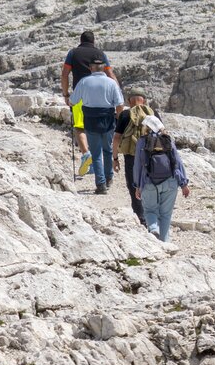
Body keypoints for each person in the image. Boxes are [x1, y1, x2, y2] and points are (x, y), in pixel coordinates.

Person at [62, 31, 114, 177]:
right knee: (97, 126)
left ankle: (86, 154)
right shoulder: (100, 54)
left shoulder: (73, 53)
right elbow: (110, 73)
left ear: (80, 40)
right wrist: (115, 91)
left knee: (80, 126)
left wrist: (66, 94)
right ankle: (101, 161)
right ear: (94, 41)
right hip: (99, 95)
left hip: (79, 94)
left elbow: (65, 73)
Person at [68, 61, 124, 195]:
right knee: (108, 149)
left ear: (91, 68)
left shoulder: (84, 82)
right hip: (108, 119)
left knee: (96, 152)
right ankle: (109, 177)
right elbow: (120, 104)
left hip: (91, 119)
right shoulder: (111, 83)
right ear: (104, 68)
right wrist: (119, 118)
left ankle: (100, 184)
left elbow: (72, 101)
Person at [132, 116, 190, 243]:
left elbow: (137, 165)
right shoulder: (167, 140)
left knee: (150, 210)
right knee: (166, 214)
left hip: (148, 182)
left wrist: (137, 185)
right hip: (170, 182)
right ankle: (164, 242)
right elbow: (177, 162)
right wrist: (183, 183)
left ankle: (153, 228)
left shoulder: (142, 141)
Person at [115, 92, 158, 223]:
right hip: (151, 155)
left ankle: (141, 217)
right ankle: (153, 217)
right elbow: (163, 135)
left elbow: (117, 138)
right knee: (151, 183)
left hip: (131, 155)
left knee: (134, 184)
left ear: (129, 101)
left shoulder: (125, 115)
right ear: (144, 100)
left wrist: (115, 159)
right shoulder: (153, 114)